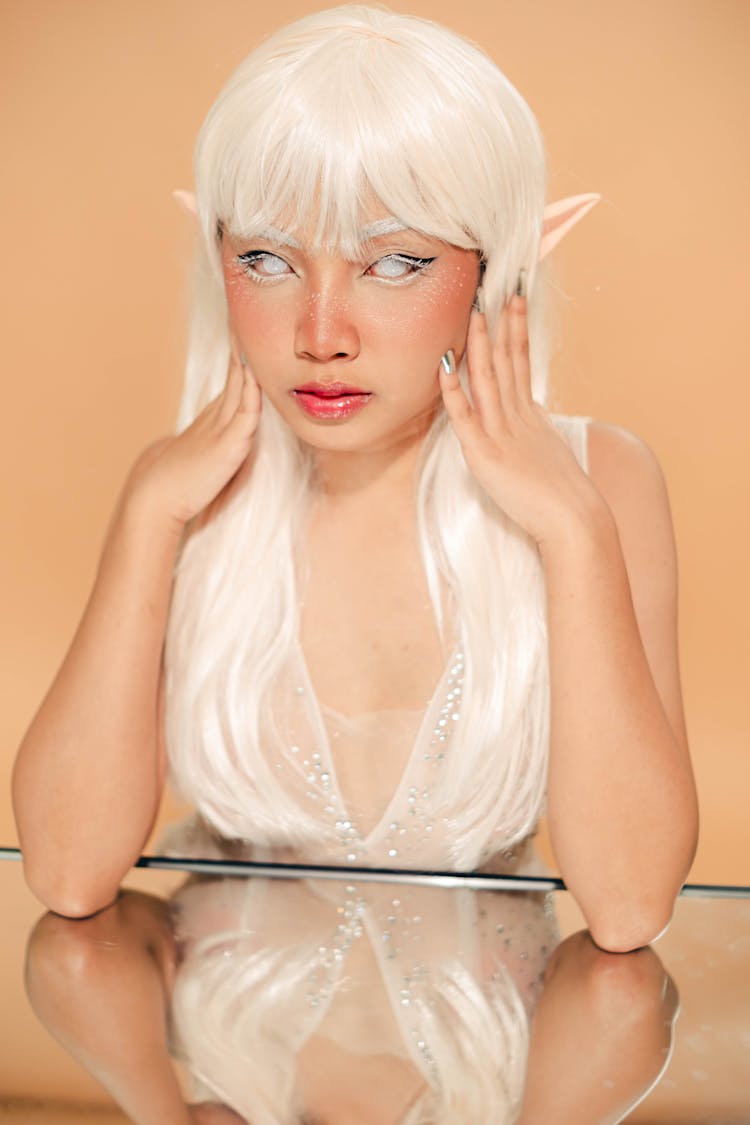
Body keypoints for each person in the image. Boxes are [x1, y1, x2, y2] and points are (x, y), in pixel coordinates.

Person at [12, 5, 698, 951]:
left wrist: (574, 532)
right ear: (215, 257)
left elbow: (628, 912)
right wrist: (146, 513)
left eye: (395, 262)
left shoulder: (601, 482)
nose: (321, 332)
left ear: (501, 269)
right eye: (266, 258)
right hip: (227, 1073)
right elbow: (63, 871)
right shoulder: (183, 492)